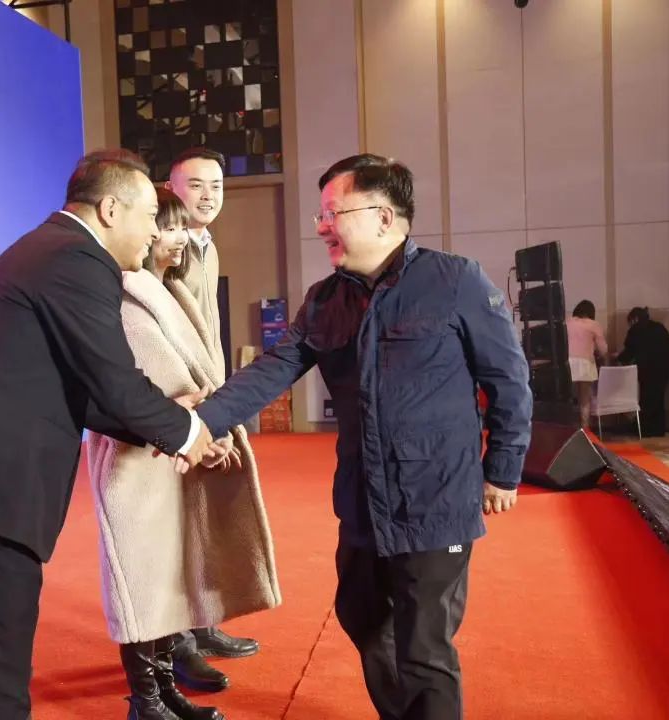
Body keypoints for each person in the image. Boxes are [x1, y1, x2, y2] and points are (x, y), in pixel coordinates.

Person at [192, 153, 533, 720]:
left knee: (423, 647)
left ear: (383, 216)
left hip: (435, 497)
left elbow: (510, 381)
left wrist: (503, 469)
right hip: (362, 498)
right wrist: (201, 423)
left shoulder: (455, 281)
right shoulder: (326, 300)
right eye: (321, 214)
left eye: (334, 212)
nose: (322, 226)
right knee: (361, 614)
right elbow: (272, 370)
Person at [0, 149, 215, 720]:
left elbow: (79, 387)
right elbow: (113, 380)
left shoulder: (53, 250)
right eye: (150, 216)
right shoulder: (76, 259)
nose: (155, 231)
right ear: (111, 210)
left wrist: (168, 419)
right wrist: (186, 431)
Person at [88, 188, 280, 720]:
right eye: (162, 223)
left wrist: (205, 427)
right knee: (141, 580)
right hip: (139, 454)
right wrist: (201, 430)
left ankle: (166, 687)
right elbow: (146, 381)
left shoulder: (167, 288)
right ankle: (146, 700)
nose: (171, 235)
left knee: (169, 573)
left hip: (174, 447)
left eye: (173, 225)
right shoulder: (120, 292)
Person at [165, 147, 259, 689]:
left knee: (202, 519)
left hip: (210, 392)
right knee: (173, 529)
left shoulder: (205, 243)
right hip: (180, 400)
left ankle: (201, 625)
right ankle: (177, 643)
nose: (207, 196)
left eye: (216, 186)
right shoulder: (168, 247)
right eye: (195, 185)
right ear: (171, 189)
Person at [615, 307, 669, 437]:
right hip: (665, 368)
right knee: (659, 398)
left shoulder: (635, 330)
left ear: (634, 319)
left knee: (646, 398)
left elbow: (629, 351)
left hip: (648, 369)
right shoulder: (659, 327)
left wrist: (618, 358)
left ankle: (646, 429)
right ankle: (659, 429)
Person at [565, 300, 608, 429]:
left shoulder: (567, 322)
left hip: (568, 364)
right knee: (584, 400)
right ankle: (585, 428)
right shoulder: (594, 325)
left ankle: (568, 428)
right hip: (585, 365)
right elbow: (603, 349)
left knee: (567, 398)